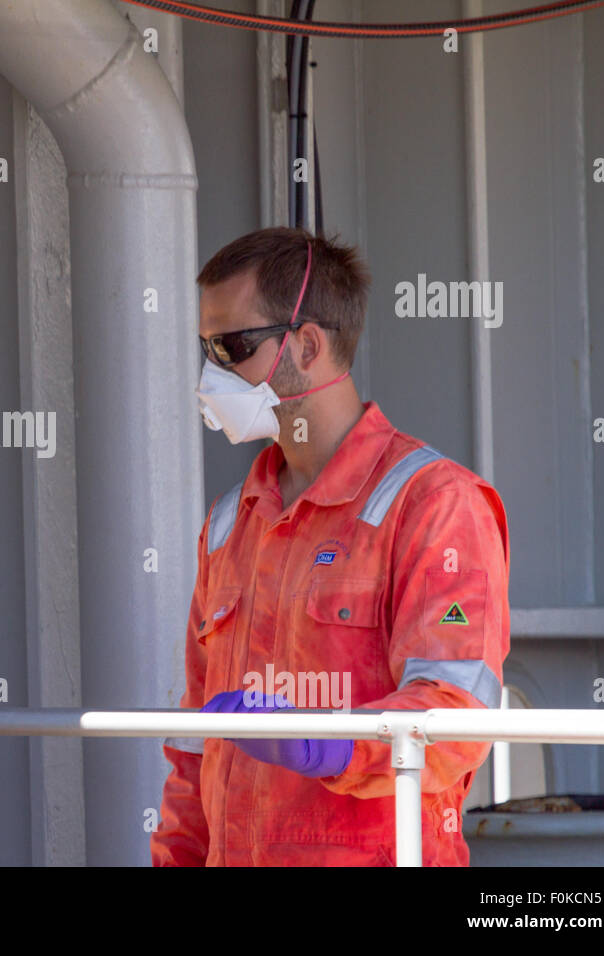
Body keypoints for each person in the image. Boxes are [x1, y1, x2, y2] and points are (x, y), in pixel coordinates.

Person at [150, 227, 510, 867]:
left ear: (308, 345)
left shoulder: (433, 504)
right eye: (206, 349)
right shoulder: (233, 521)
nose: (214, 373)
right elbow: (194, 747)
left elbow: (455, 717)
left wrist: (334, 745)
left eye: (232, 346)